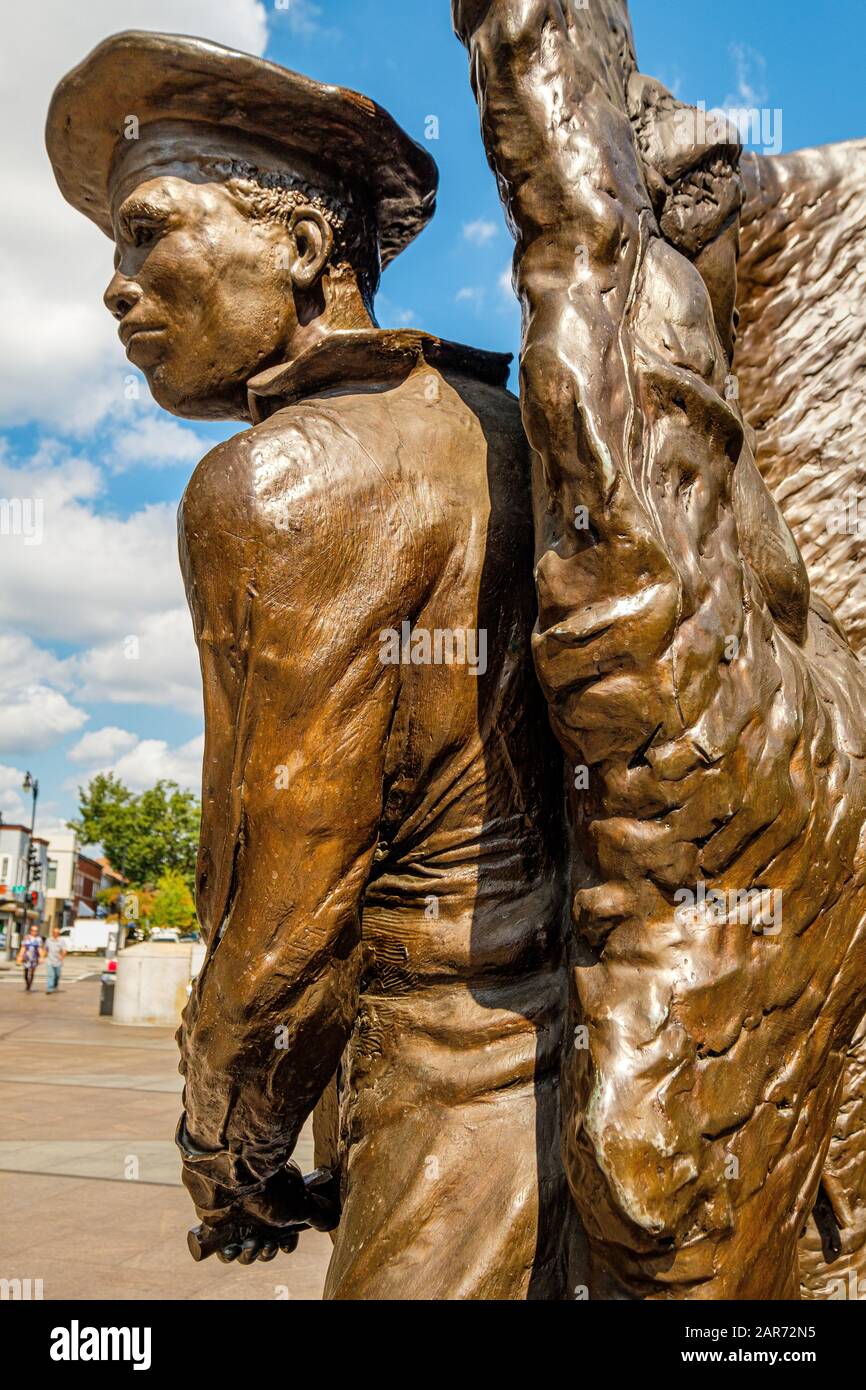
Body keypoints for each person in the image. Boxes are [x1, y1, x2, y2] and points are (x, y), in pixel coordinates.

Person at [46, 31, 579, 1298]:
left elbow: (289, 886)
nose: (115, 290)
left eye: (147, 233)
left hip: (445, 1099)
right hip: (584, 1064)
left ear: (298, 249)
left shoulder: (276, 479)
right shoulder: (515, 429)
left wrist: (225, 1142)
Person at [17, 925, 43, 993]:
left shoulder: (38, 939)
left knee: (32, 972)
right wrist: (20, 956)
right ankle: (27, 982)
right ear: (30, 931)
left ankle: (29, 985)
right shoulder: (26, 938)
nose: (34, 932)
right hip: (27, 958)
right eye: (33, 930)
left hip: (34, 958)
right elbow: (23, 947)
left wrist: (41, 957)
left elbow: (39, 949)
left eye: (36, 931)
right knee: (25, 972)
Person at [44, 925, 67, 994]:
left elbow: (64, 950)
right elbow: (45, 949)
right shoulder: (48, 940)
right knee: (50, 975)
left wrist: (62, 957)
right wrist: (42, 957)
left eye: (57, 933)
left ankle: (55, 984)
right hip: (49, 960)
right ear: (52, 933)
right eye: (54, 932)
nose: (56, 934)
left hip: (58, 961)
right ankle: (49, 988)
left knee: (57, 975)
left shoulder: (61, 941)